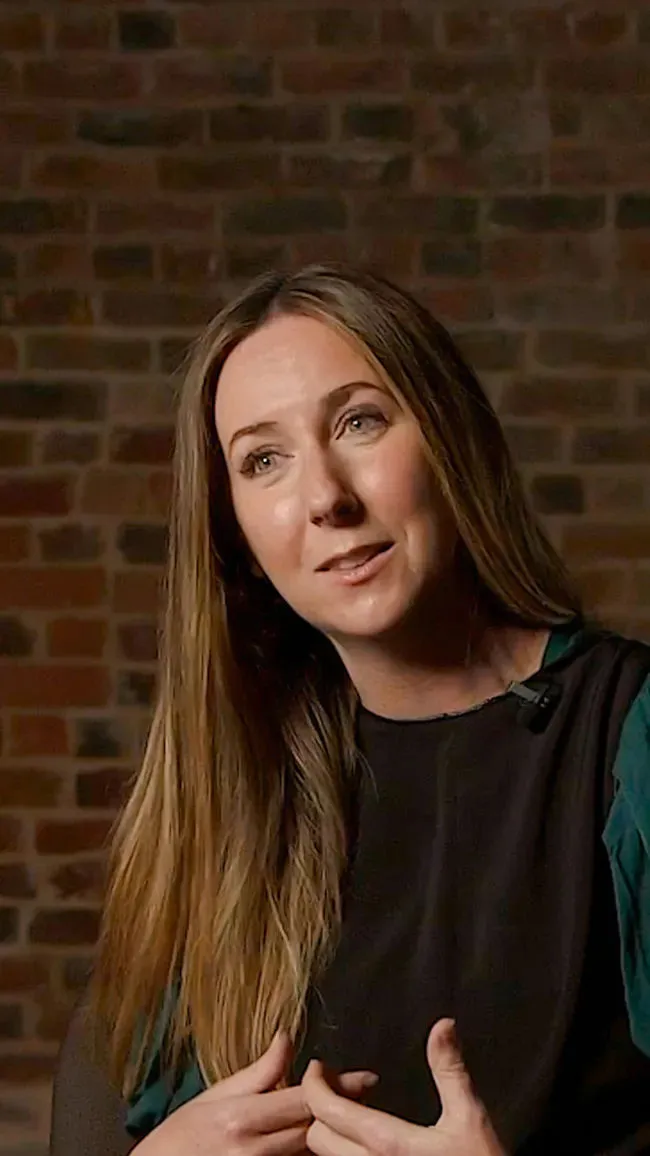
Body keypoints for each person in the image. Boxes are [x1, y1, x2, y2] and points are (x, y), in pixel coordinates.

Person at [50, 264, 650, 1156]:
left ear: (449, 434)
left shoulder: (628, 732)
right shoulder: (236, 784)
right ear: (236, 533)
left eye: (359, 421)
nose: (327, 497)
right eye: (264, 461)